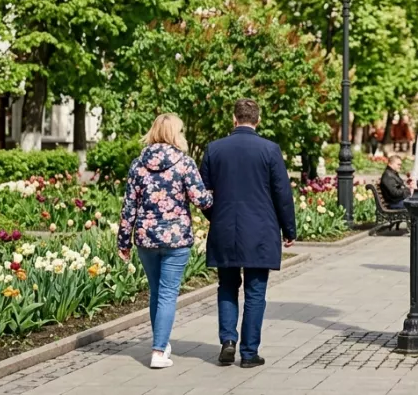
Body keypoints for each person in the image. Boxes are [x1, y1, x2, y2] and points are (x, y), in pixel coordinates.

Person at [199, 99, 296, 368]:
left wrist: (215, 218)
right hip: (261, 232)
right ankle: (249, 352)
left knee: (227, 286)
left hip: (225, 229)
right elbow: (282, 194)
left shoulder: (214, 149)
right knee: (255, 292)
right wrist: (289, 229)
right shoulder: (270, 149)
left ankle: (228, 341)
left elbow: (203, 195)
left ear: (234, 119)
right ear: (258, 120)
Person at [117, 114, 214, 369]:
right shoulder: (184, 163)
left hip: (146, 239)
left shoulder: (138, 164)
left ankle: (161, 342)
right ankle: (159, 351)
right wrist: (216, 197)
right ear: (175, 133)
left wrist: (123, 243)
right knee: (168, 294)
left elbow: (129, 207)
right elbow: (201, 200)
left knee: (156, 292)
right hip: (176, 238)